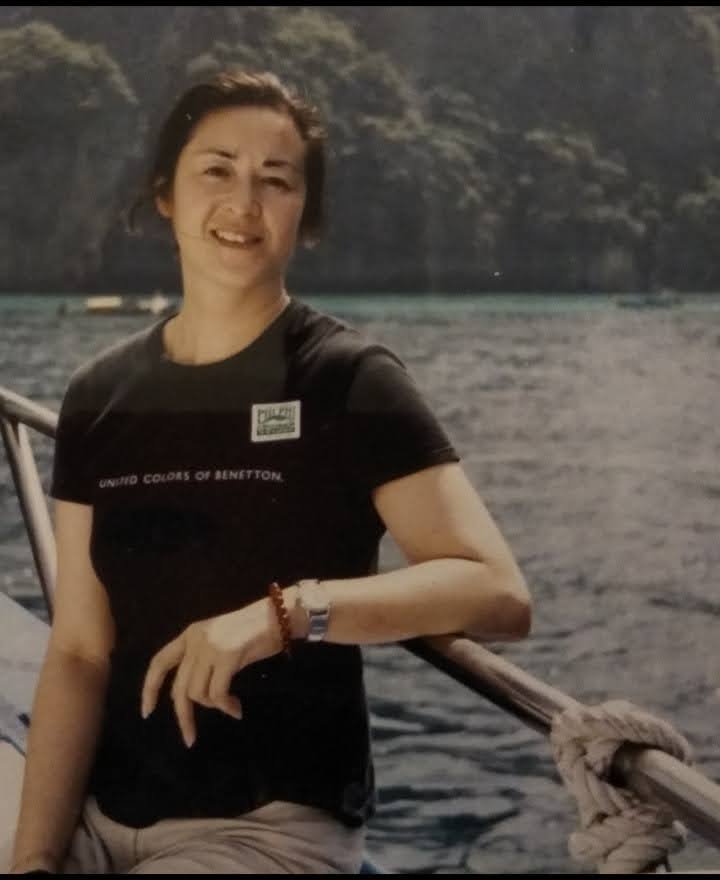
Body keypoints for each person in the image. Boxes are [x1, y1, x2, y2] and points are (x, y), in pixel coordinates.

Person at [7, 70, 531, 875]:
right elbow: (80, 651)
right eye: (216, 170)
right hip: (99, 815)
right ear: (166, 197)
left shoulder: (346, 379)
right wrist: (37, 858)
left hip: (264, 828)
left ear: (304, 217)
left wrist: (287, 614)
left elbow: (495, 593)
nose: (244, 203)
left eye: (276, 181)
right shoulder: (99, 398)